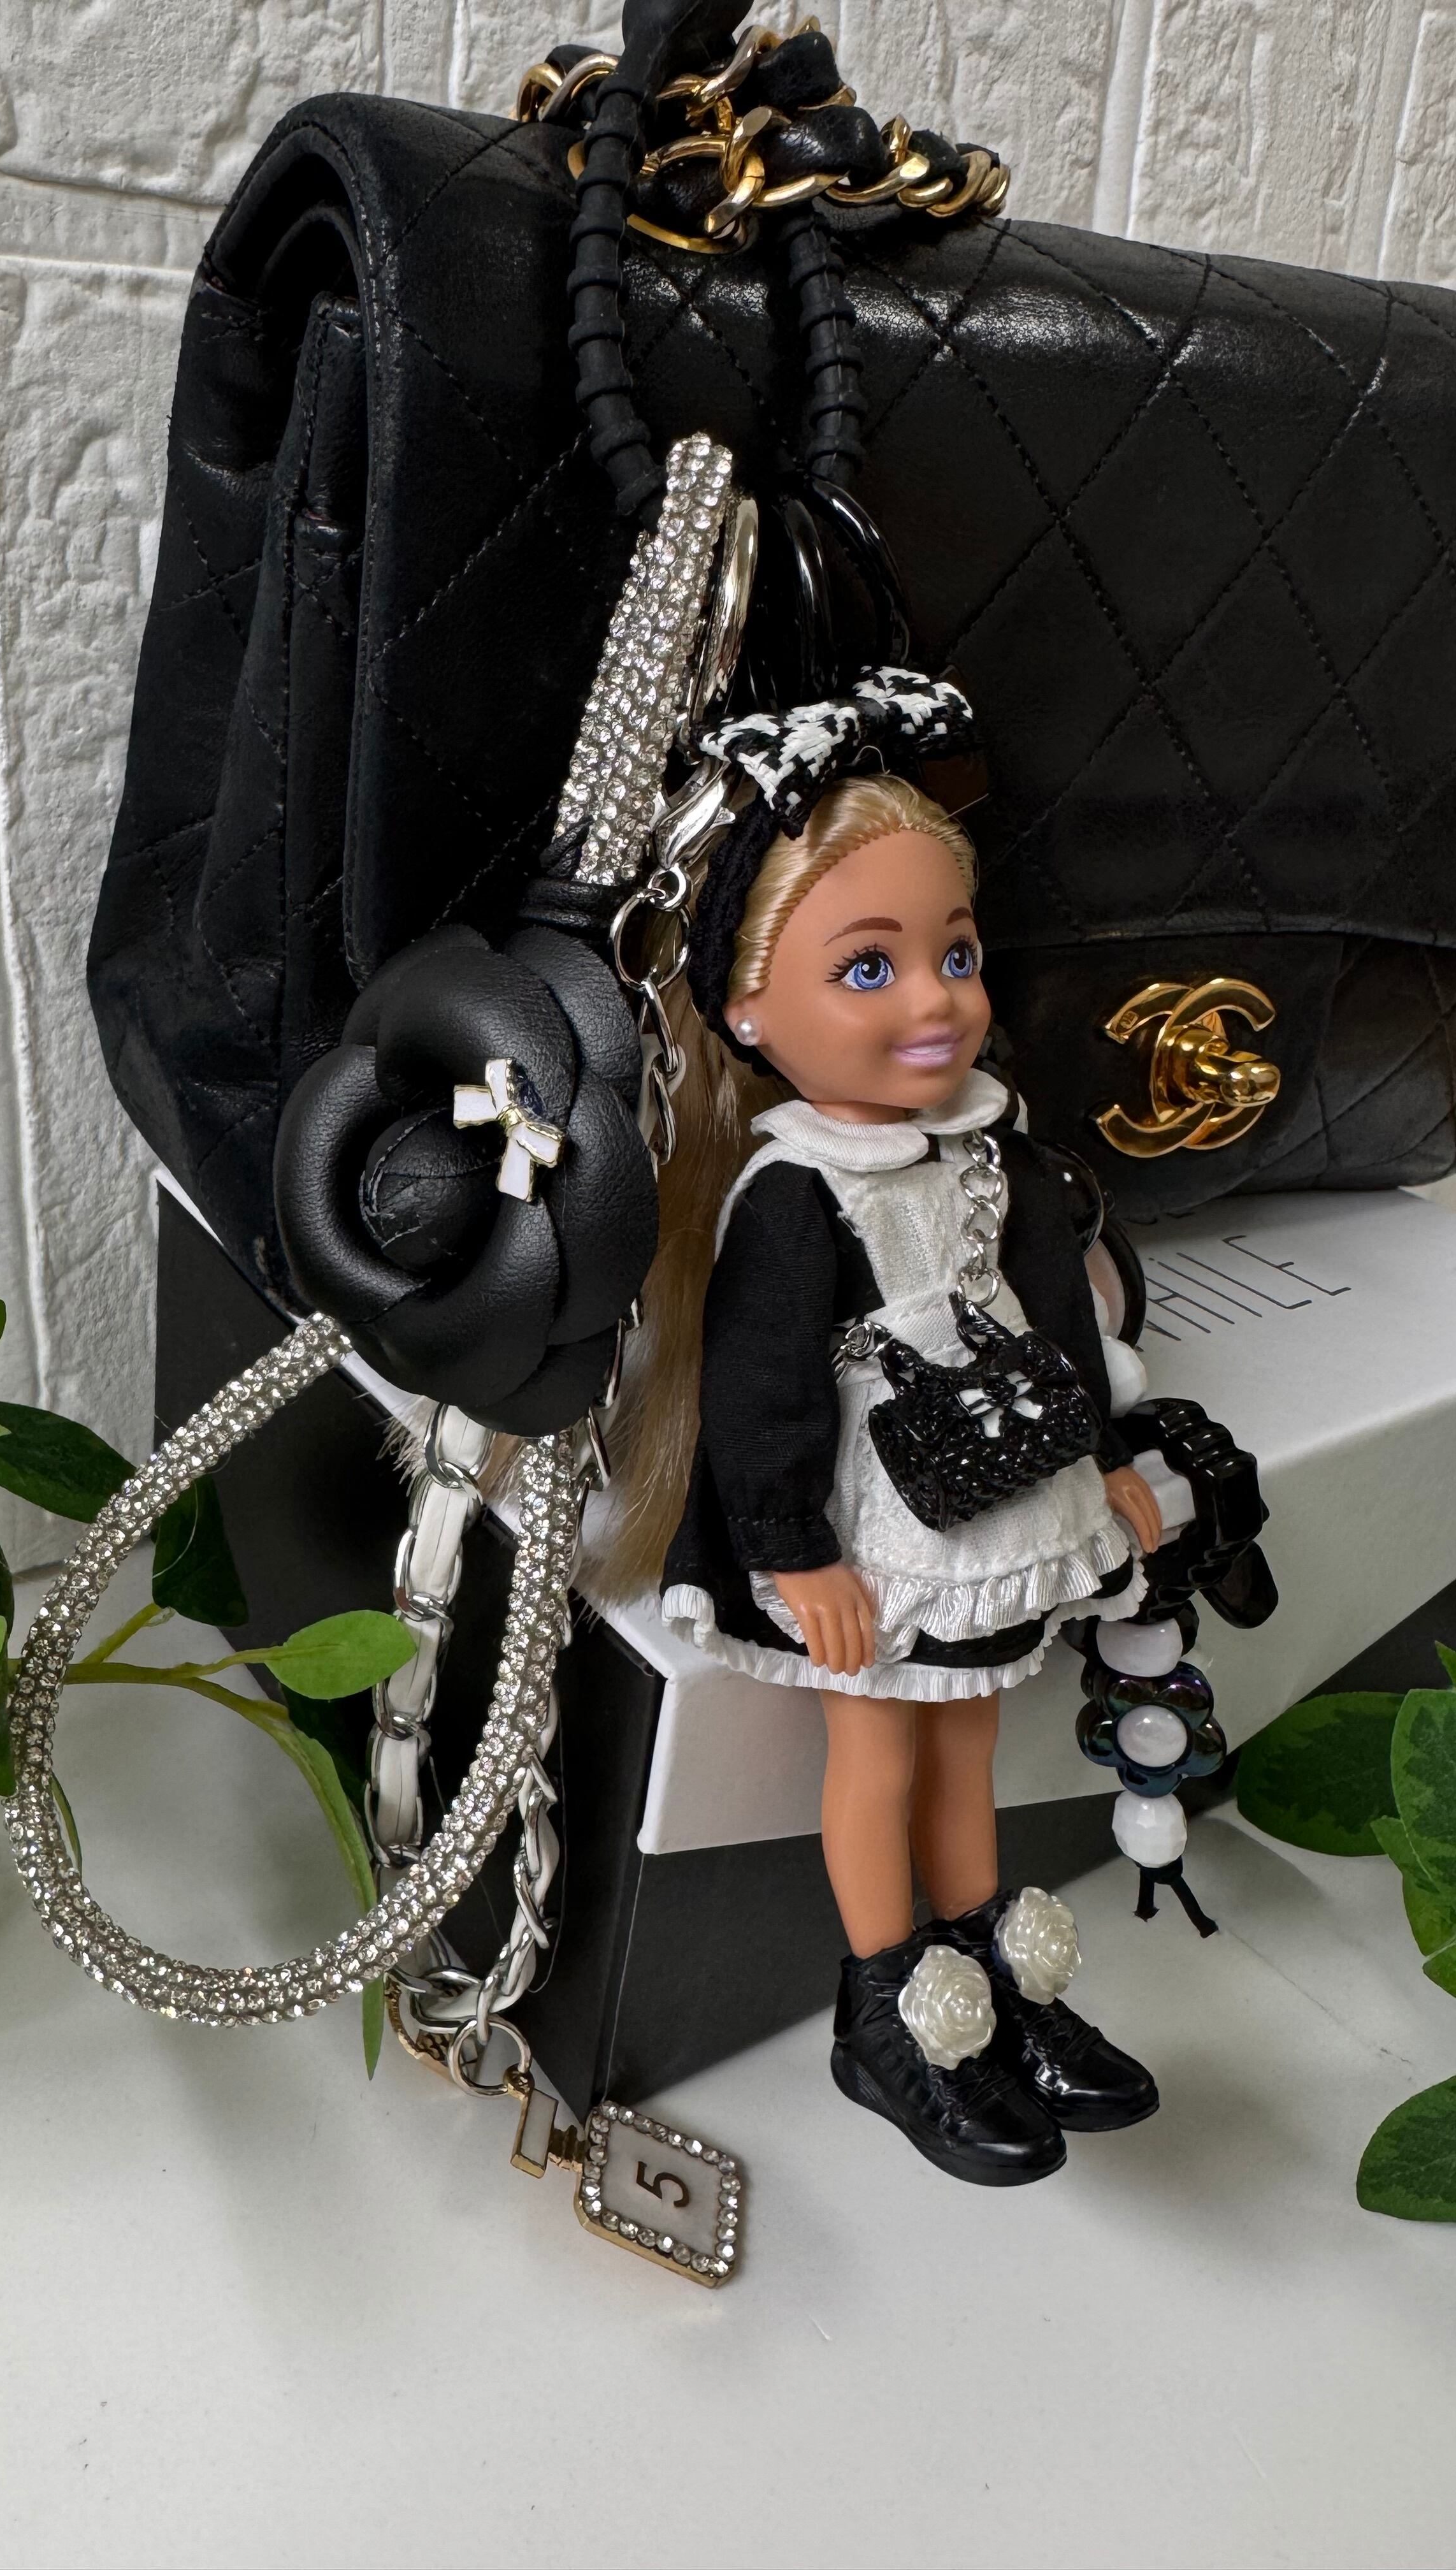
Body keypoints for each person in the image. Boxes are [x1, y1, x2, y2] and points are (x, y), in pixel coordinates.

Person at [595, 675, 1168, 2185]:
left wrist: (1107, 1460)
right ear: (747, 1011)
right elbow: (762, 1389)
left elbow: (1057, 1321)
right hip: (878, 1520)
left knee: (971, 1736)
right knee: (877, 1754)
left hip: (1004, 1488)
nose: (936, 1001)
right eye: (870, 967)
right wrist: (795, 1551)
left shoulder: (993, 1149)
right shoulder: (796, 1192)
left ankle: (990, 1974)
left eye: (955, 954)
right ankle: (893, 2006)